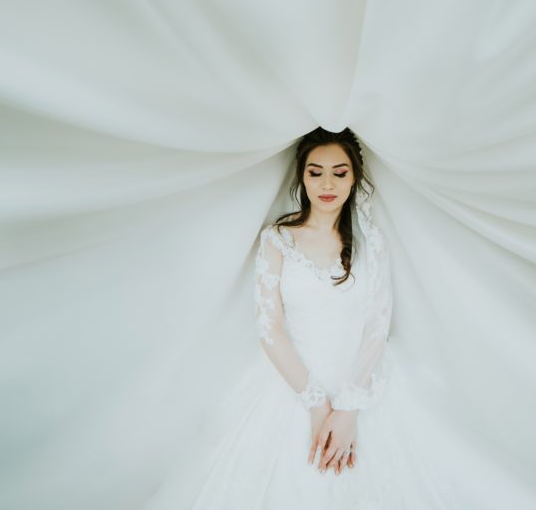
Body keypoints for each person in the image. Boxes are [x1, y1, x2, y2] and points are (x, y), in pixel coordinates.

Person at [184, 126, 455, 509]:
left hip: (361, 386)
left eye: (340, 172)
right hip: (292, 387)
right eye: (315, 172)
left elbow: (378, 327)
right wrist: (317, 405)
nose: (327, 183)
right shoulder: (276, 238)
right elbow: (269, 327)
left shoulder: (371, 243)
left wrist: (347, 409)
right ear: (302, 177)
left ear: (355, 178)